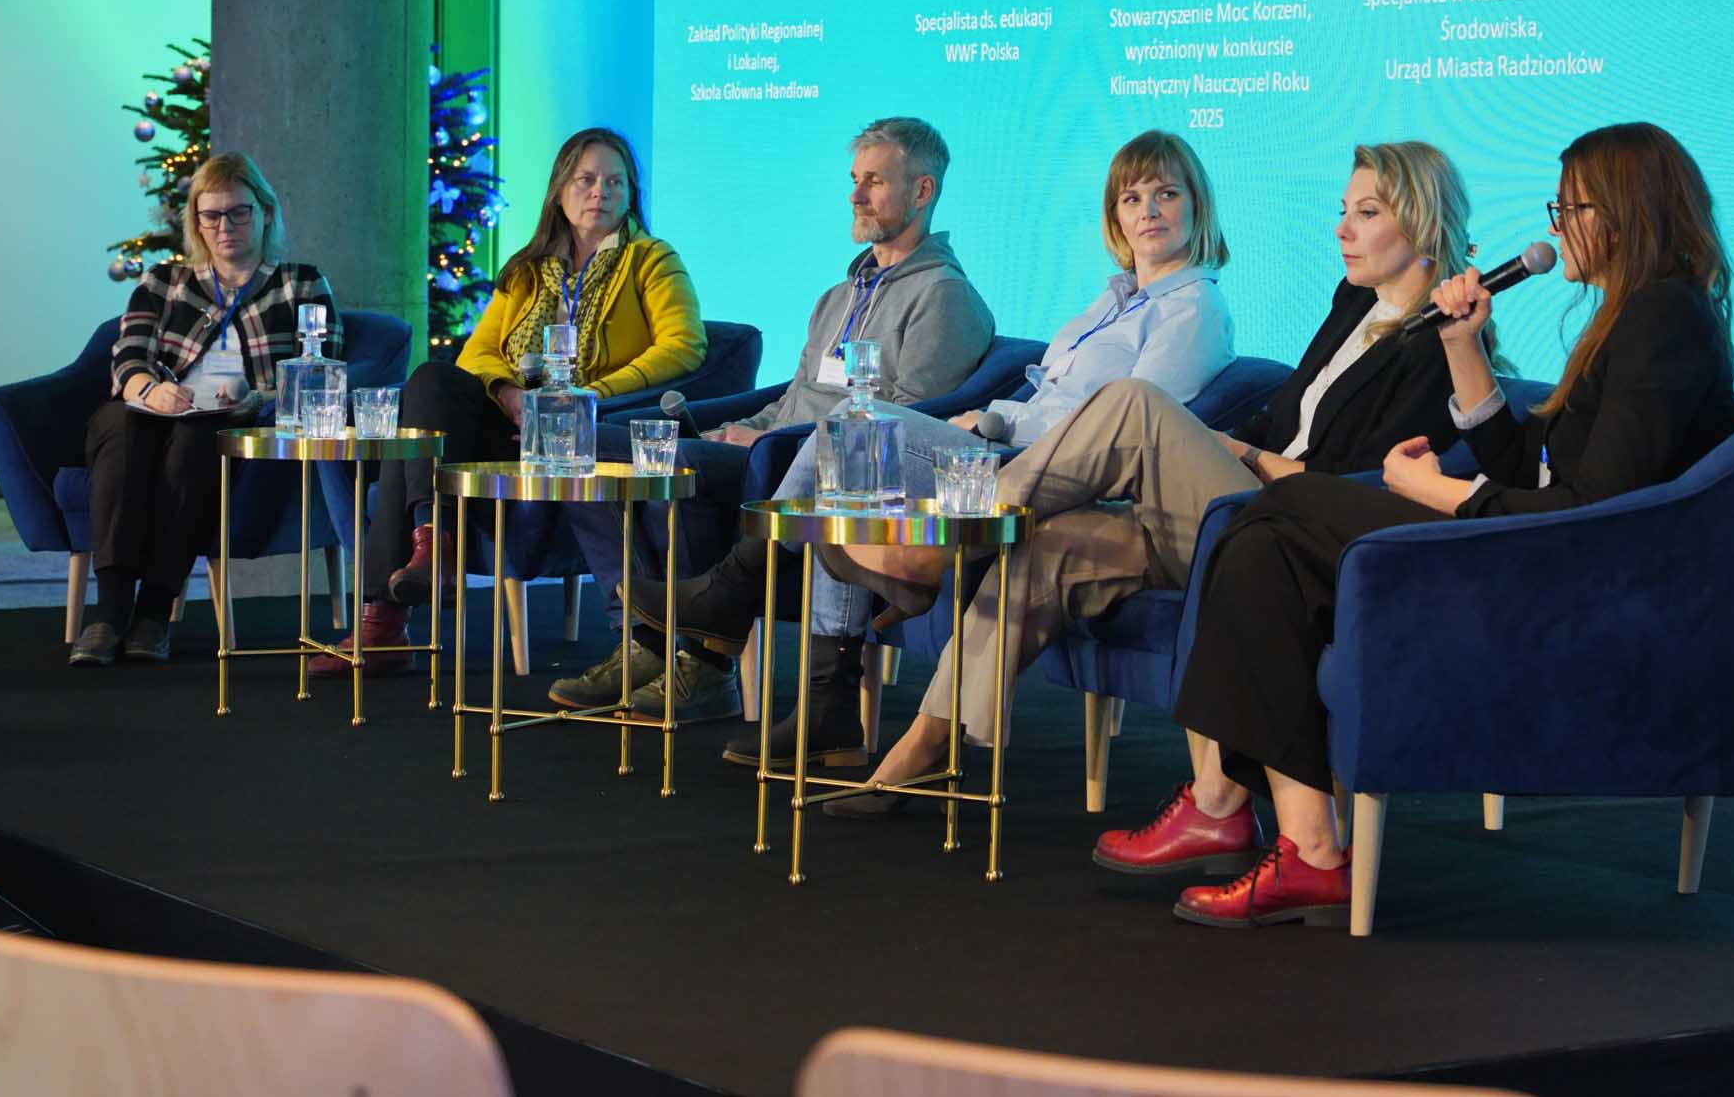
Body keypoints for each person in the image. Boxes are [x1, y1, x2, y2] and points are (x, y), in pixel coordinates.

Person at [1113, 121, 1734, 928]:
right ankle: (1305, 847)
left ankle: (1236, 808)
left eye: (1572, 208)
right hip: (1532, 542)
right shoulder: (1632, 314)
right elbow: (1528, 465)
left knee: (1278, 510)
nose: (1557, 228)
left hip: (1561, 575)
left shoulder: (1663, 320)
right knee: (1264, 537)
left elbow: (1589, 508)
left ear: (1626, 212)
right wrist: (1463, 344)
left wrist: (1439, 491)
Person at [814, 141, 1489, 814]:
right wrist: (1239, 444)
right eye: (1343, 210)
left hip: (1296, 527)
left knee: (1132, 402)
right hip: (1233, 508)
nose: (1340, 229)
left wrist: (1245, 456)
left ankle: (951, 539)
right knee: (1048, 545)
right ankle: (924, 750)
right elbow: (1282, 420)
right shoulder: (1353, 305)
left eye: (1366, 213)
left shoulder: (1443, 344)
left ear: (1422, 219)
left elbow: (1368, 487)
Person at [645, 129, 1238, 770]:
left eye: (1165, 194)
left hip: (1055, 474)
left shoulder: (1193, 309)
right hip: (1007, 448)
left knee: (852, 429)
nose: (1148, 212)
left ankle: (742, 597)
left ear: (1196, 205)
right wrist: (993, 418)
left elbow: (1126, 429)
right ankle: (824, 700)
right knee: (849, 454)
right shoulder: (1113, 300)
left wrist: (999, 420)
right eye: (1131, 198)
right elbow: (1052, 395)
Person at [546, 116, 995, 723]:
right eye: (854, 179)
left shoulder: (944, 295)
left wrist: (765, 441)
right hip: (773, 447)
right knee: (592, 445)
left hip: (825, 470)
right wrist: (745, 427)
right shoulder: (840, 296)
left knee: (680, 467)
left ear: (922, 191)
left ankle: (699, 662)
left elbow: (906, 421)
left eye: (875, 182)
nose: (856, 195)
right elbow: (796, 394)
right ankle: (647, 641)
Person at [312, 126, 706, 676]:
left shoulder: (651, 259)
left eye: (615, 182)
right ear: (559, 191)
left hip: (581, 428)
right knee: (431, 381)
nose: (600, 192)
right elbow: (478, 352)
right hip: (512, 422)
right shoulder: (529, 267)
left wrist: (588, 396)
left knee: (412, 448)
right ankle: (431, 548)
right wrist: (510, 394)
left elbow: (684, 345)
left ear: (631, 193)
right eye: (586, 180)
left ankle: (388, 614)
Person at [73, 152, 338, 666]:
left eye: (238, 212)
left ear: (264, 213)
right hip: (152, 409)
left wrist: (256, 397)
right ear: (196, 221)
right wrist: (149, 390)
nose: (224, 227)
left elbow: (323, 368)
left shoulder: (300, 283)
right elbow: (128, 356)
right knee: (123, 426)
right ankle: (108, 614)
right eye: (211, 215)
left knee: (197, 440)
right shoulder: (164, 282)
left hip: (236, 418)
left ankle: (153, 614)